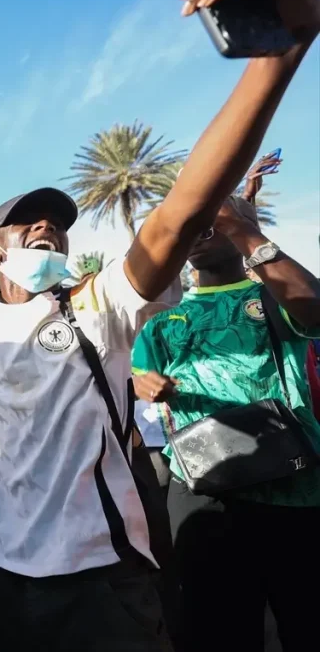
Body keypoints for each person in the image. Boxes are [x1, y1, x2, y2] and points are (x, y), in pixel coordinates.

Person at [0, 0, 319, 646]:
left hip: (99, 589)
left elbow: (179, 212)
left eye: (57, 224)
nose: (47, 229)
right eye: (27, 223)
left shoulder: (101, 304)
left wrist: (287, 43)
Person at [132, 149, 320, 651]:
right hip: (204, 499)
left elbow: (314, 310)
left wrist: (244, 226)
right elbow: (136, 373)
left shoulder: (271, 295)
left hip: (293, 489)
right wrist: (143, 383)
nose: (199, 223)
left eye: (212, 214)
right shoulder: (162, 321)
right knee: (216, 633)